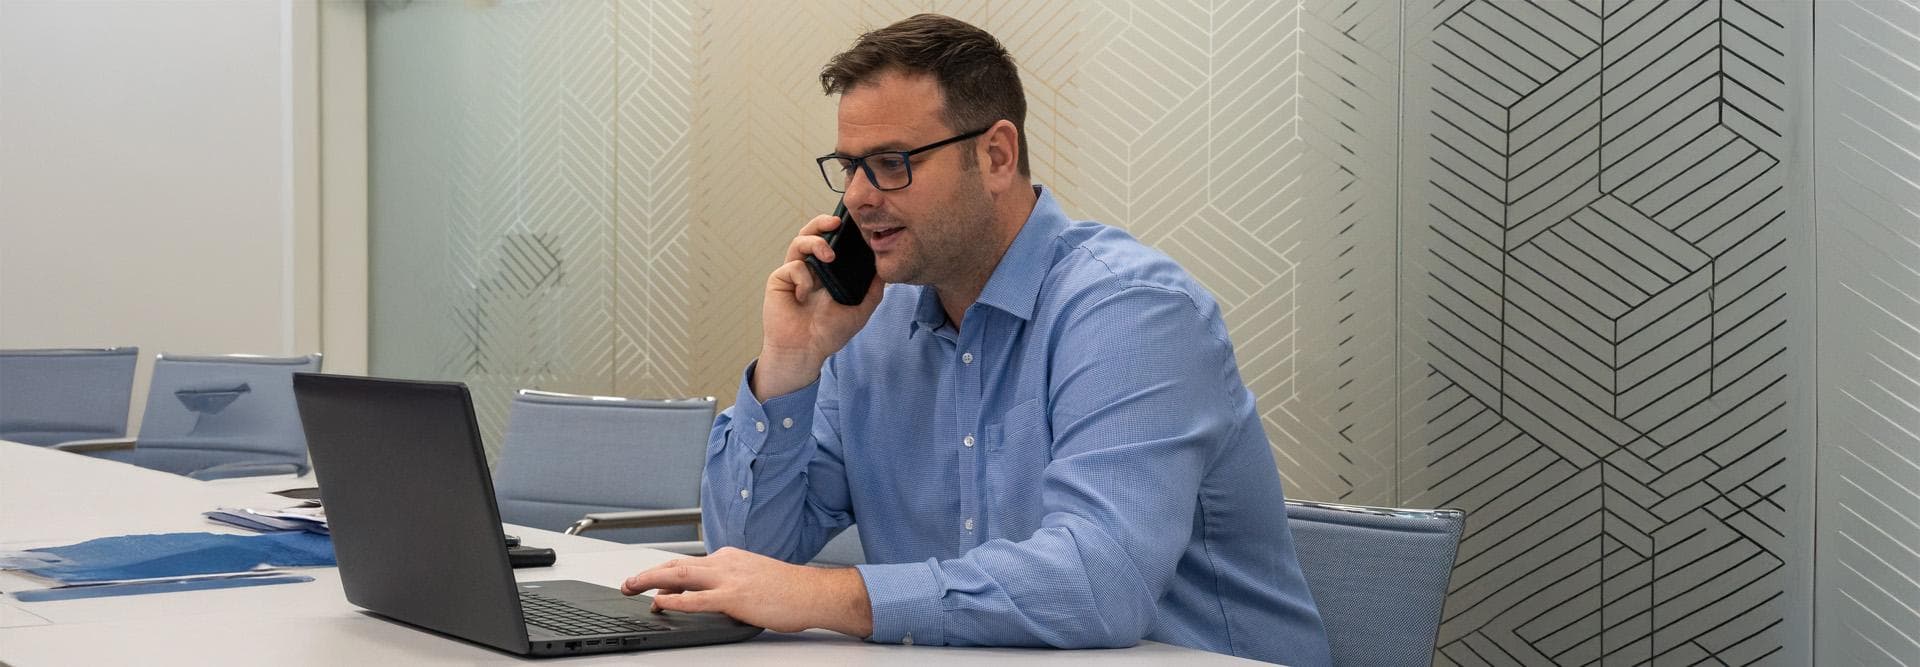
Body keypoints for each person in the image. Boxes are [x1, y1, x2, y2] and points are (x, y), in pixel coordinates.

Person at [621, 13, 1332, 665]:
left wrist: (830, 595)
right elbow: (747, 560)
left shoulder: (1132, 311)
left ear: (995, 156)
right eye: (850, 167)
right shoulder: (872, 325)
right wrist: (791, 361)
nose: (861, 197)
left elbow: (1099, 581)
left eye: (893, 162)